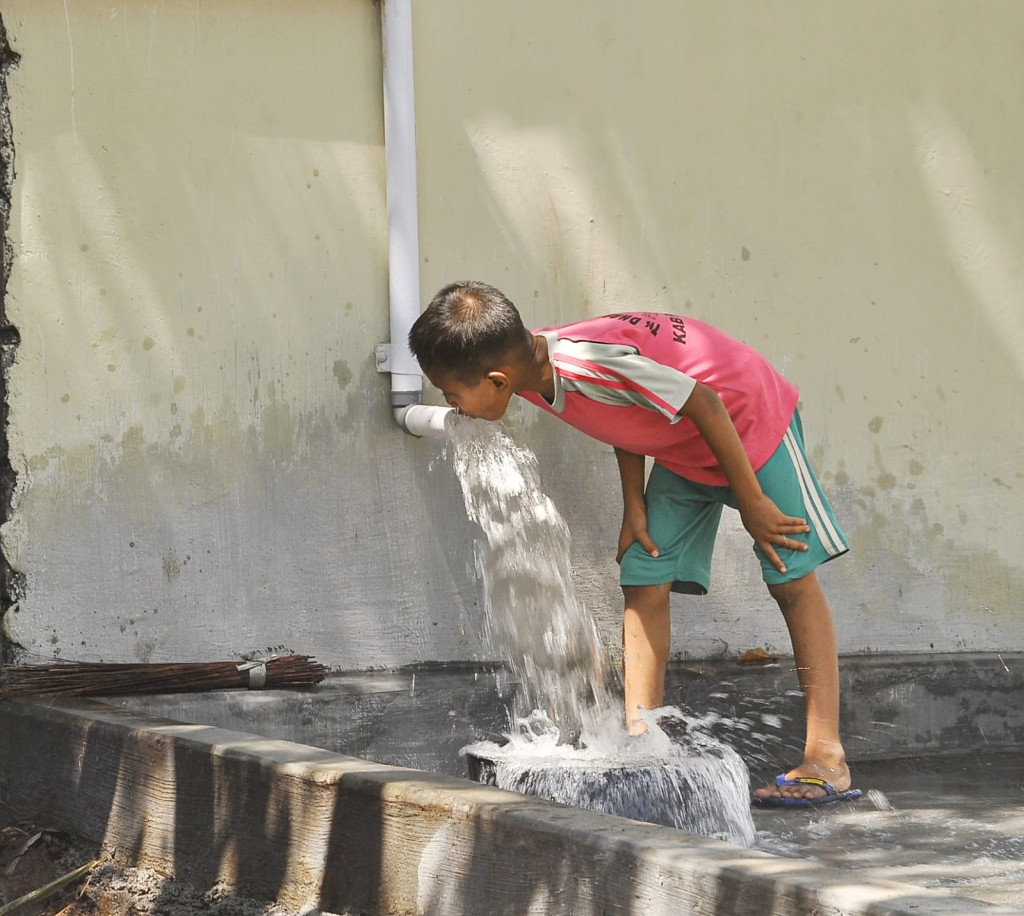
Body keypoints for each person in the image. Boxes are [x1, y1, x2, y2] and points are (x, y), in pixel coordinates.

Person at [408, 280, 861, 806]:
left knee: (790, 577)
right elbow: (626, 414)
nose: (453, 407)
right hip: (685, 445)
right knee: (644, 572)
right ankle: (645, 744)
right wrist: (635, 504)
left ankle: (826, 756)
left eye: (451, 395)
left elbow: (706, 402)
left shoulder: (582, 366)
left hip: (750, 425)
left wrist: (753, 501)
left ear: (495, 381)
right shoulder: (531, 367)